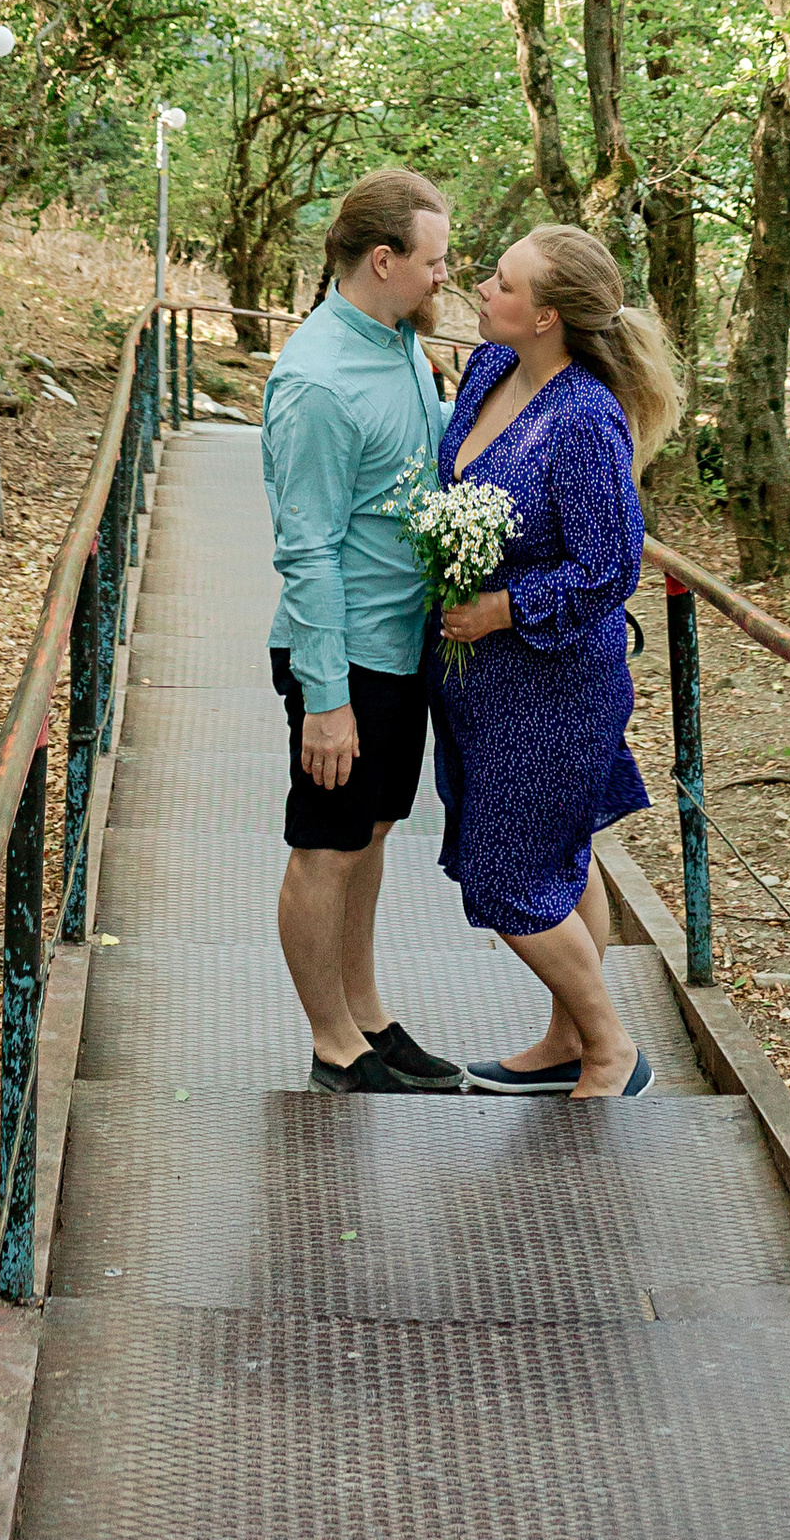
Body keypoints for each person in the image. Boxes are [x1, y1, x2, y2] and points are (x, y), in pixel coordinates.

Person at [432, 222, 683, 1100]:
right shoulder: (490, 369)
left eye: (502, 282)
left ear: (545, 316)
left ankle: (612, 1049)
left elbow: (611, 565)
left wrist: (503, 606)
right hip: (477, 682)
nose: (481, 289)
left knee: (507, 875)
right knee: (556, 859)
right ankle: (566, 1037)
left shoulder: (582, 420)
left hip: (554, 682)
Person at [261, 166, 467, 1094]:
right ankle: (331, 1043)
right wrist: (327, 700)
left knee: (372, 833)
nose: (444, 280)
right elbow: (305, 552)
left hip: (400, 643)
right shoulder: (315, 381)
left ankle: (367, 1014)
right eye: (434, 262)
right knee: (326, 846)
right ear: (383, 260)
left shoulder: (396, 343)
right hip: (340, 654)